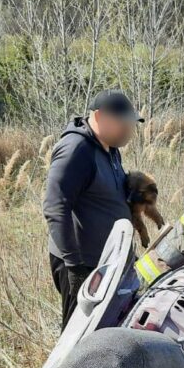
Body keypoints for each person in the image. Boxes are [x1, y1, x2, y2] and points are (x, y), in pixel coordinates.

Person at [44, 90, 142, 329]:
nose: (129, 131)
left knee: (103, 327)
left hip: (106, 260)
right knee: (77, 334)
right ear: (99, 117)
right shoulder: (76, 150)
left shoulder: (110, 149)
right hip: (81, 264)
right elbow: (56, 208)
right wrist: (74, 268)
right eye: (123, 124)